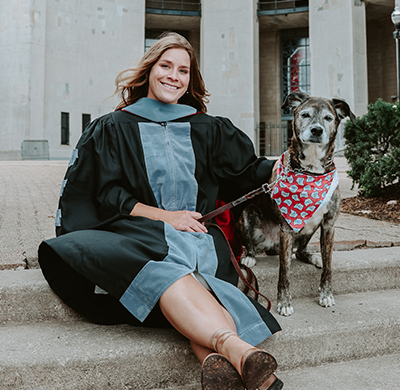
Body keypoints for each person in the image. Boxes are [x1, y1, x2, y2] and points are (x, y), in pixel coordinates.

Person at [38, 32, 283, 390]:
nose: (173, 76)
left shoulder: (209, 127)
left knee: (196, 276)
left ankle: (224, 364)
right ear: (150, 71)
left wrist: (281, 167)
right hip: (141, 230)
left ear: (190, 80)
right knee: (169, 272)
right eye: (165, 66)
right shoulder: (114, 127)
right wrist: (166, 217)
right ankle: (239, 350)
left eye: (183, 70)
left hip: (200, 235)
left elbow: (244, 173)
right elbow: (105, 194)